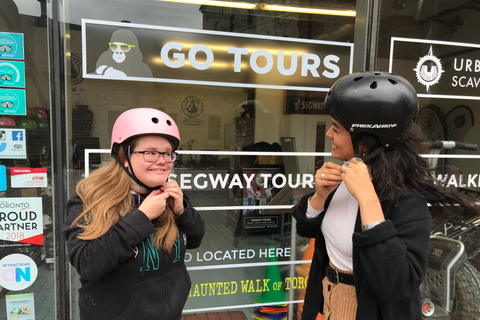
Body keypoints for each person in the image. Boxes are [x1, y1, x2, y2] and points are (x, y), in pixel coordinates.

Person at [292, 71, 479, 320]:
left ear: (366, 139)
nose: (328, 134)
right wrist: (319, 197)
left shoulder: (407, 201)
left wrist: (368, 200)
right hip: (327, 300)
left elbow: (396, 285)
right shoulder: (344, 178)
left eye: (336, 128)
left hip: (365, 310)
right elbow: (306, 229)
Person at [64, 108, 205, 320]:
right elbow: (87, 263)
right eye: (150, 152)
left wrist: (182, 212)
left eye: (168, 153)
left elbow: (195, 239)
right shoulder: (91, 198)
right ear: (125, 157)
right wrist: (140, 218)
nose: (162, 160)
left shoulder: (167, 195)